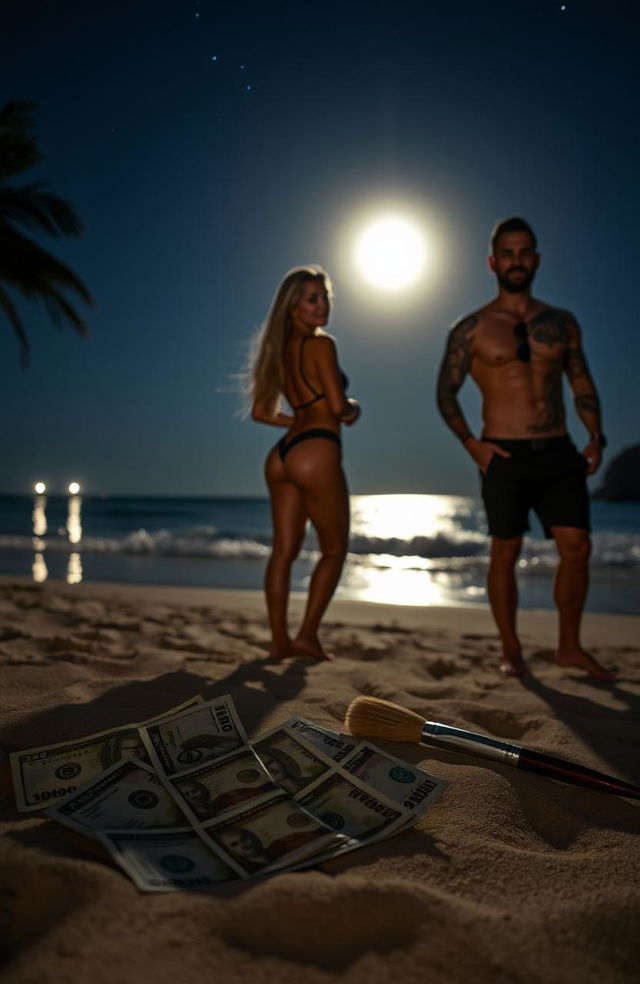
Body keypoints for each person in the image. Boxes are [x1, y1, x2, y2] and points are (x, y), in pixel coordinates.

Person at [436, 217, 614, 681]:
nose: (517, 260)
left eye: (525, 251)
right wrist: (472, 445)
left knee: (577, 547)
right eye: (508, 253)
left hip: (558, 449)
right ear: (494, 262)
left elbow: (580, 380)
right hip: (502, 454)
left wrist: (595, 435)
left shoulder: (561, 323)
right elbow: (445, 392)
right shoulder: (471, 328)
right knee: (505, 550)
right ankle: (511, 650)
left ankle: (569, 647)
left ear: (535, 259)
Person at [249, 265, 360, 661]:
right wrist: (353, 408)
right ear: (293, 306)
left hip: (282, 455)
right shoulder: (321, 344)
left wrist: (298, 419)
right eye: (313, 298)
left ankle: (279, 640)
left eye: (326, 296)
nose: (322, 304)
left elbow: (262, 412)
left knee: (283, 551)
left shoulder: (277, 352)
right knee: (334, 549)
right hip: (316, 450)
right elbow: (336, 406)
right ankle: (307, 636)